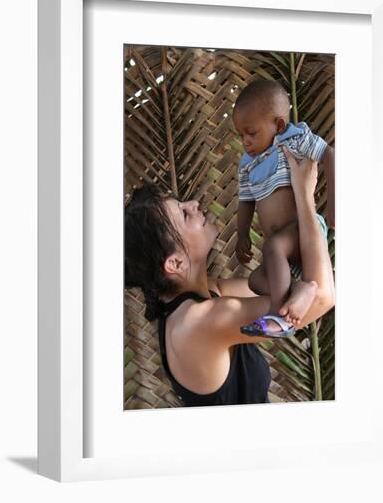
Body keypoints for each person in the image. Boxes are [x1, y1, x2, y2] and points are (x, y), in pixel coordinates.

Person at [124, 149, 335, 407]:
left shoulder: (204, 295)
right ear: (175, 263)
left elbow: (274, 288)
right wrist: (304, 196)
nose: (194, 204)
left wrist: (298, 282)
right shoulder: (200, 321)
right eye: (185, 214)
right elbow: (323, 297)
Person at [233, 80, 335, 334]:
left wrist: (334, 202)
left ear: (277, 125)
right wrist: (242, 233)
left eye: (252, 133)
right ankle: (301, 288)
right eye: (241, 135)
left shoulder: (295, 138)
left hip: (303, 230)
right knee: (256, 280)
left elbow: (329, 155)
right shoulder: (247, 164)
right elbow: (245, 201)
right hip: (284, 254)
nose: (245, 141)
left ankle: (278, 317)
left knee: (273, 246)